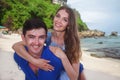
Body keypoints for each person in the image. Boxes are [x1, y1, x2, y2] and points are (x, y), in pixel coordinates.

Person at [13, 6, 86, 80]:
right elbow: (16, 46)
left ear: (69, 24)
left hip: (65, 72)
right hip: (51, 70)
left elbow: (74, 77)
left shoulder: (73, 43)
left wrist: (63, 56)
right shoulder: (47, 36)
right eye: (58, 16)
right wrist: (34, 61)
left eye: (65, 20)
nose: (59, 21)